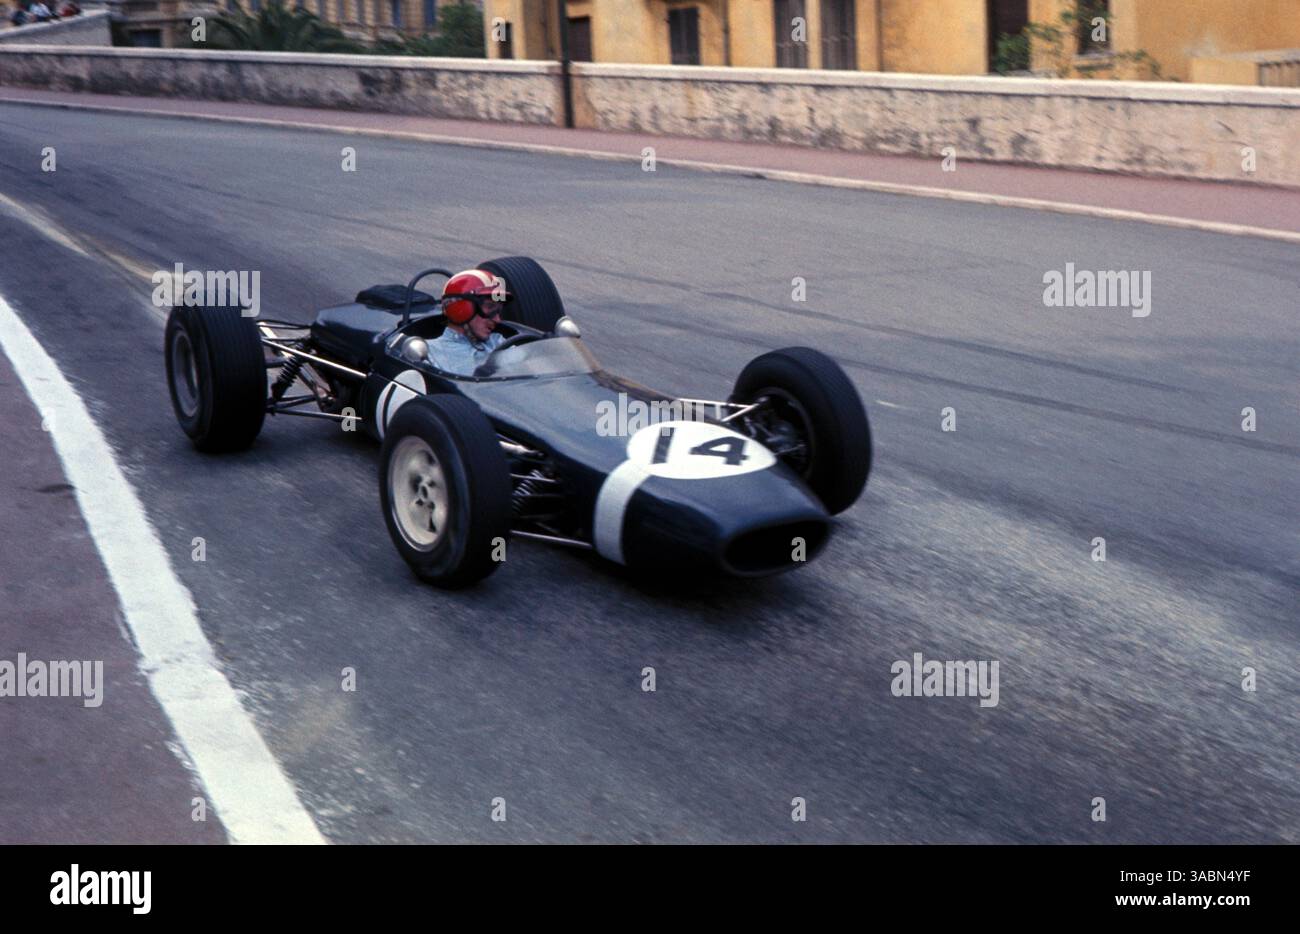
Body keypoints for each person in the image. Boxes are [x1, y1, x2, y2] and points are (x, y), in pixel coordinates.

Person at [425, 269, 510, 376]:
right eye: (490, 308)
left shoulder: (498, 342)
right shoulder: (429, 352)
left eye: (498, 311)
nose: (497, 320)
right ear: (462, 308)